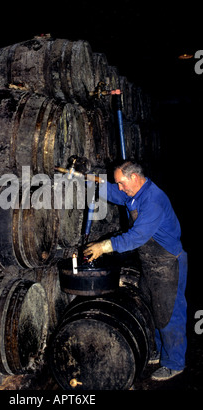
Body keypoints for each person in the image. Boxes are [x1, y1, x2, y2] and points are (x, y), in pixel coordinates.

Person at [84, 160, 187, 381]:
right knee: (155, 309)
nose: (119, 187)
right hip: (151, 263)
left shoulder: (153, 200)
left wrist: (104, 246)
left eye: (121, 182)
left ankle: (175, 362)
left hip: (169, 263)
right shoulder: (133, 193)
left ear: (134, 177)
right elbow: (113, 192)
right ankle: (161, 352)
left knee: (170, 313)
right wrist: (89, 180)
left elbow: (136, 236)